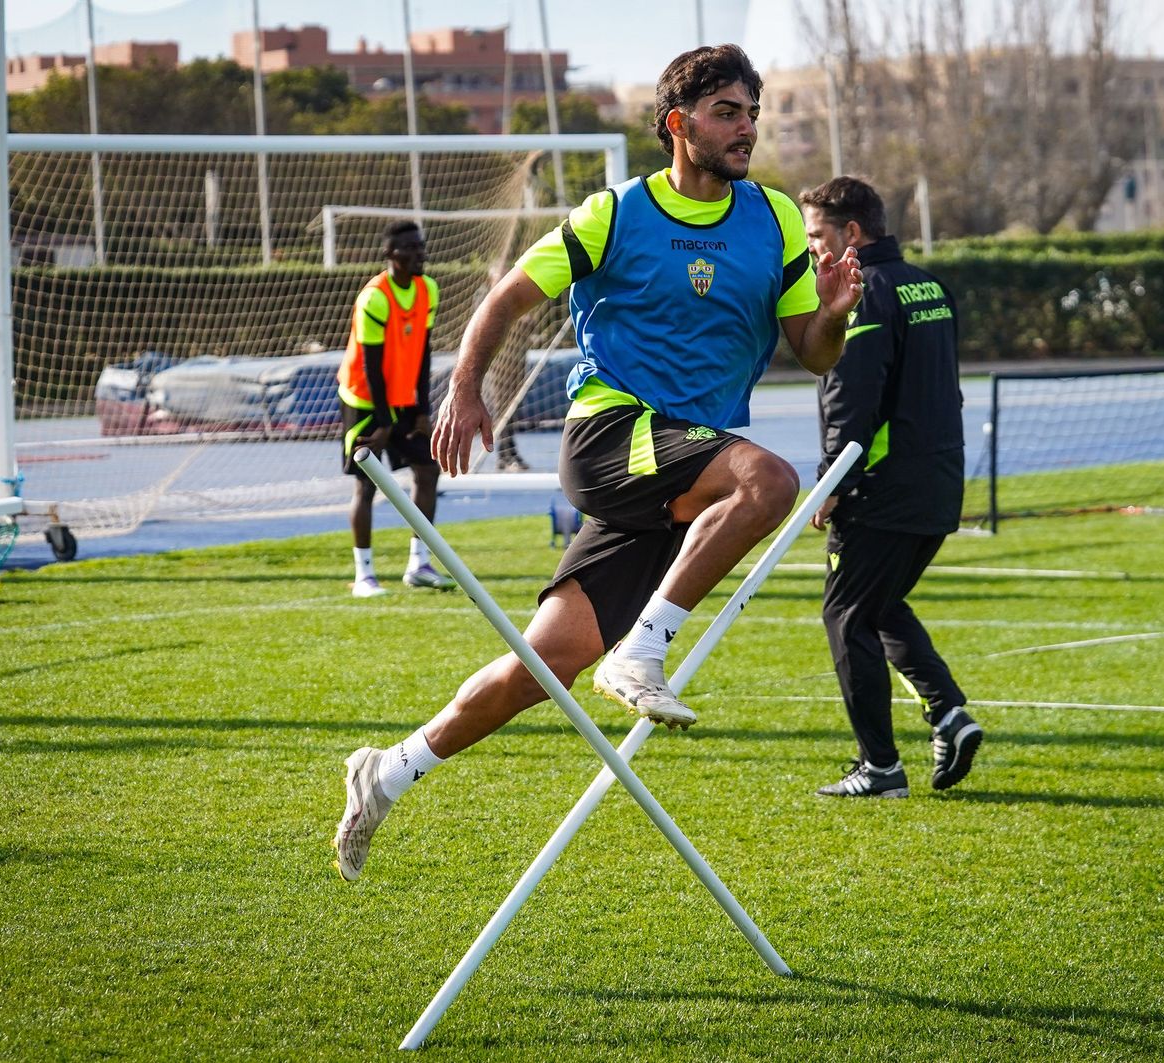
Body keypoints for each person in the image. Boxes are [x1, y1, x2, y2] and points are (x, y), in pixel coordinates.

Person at [332, 44, 864, 881]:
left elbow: (815, 351)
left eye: (753, 111)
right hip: (613, 435)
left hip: (685, 473)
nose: (748, 128)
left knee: (541, 665)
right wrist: (465, 387)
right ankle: (643, 651)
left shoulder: (777, 220)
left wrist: (833, 314)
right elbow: (507, 294)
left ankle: (390, 769)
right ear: (676, 125)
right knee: (771, 480)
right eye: (729, 111)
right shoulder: (613, 214)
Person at [798, 175, 982, 798]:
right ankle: (948, 712)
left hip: (882, 487)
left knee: (846, 613)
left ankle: (879, 767)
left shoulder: (866, 292)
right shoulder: (929, 284)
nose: (813, 250)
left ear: (852, 232)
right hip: (938, 481)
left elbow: (854, 400)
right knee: (878, 605)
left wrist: (831, 482)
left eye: (818, 236)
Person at [337, 220, 457, 597]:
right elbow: (372, 368)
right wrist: (385, 423)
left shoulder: (428, 289)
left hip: (404, 398)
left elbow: (423, 351)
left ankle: (419, 564)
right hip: (365, 401)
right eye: (411, 248)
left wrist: (422, 409)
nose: (420, 254)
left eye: (422, 246)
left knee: (427, 471)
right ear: (391, 255)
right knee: (366, 485)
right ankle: (364, 575)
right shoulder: (375, 297)